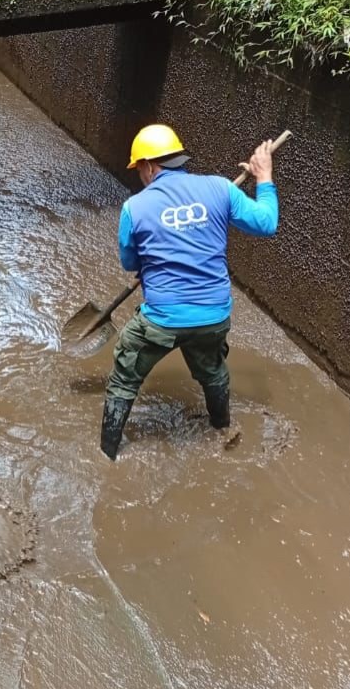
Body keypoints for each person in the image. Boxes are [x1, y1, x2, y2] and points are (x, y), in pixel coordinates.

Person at [101, 124, 279, 460]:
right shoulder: (221, 189)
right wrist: (264, 178)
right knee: (212, 370)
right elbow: (267, 222)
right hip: (213, 315)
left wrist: (149, 258)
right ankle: (222, 426)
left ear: (149, 166)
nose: (140, 175)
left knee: (124, 376)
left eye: (139, 168)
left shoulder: (134, 208)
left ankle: (107, 451)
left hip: (162, 319)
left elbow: (130, 262)